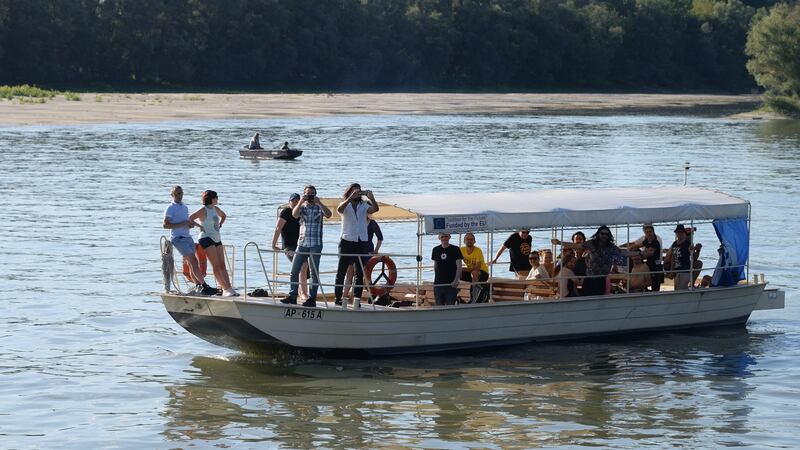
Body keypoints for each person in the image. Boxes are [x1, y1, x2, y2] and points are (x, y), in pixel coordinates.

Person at [281, 185, 332, 307]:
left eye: (312, 194)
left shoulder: (319, 206)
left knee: (314, 273)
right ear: (303, 194)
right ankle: (293, 296)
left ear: (315, 194)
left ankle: (312, 298)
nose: (310, 196)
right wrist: (300, 202)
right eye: (307, 194)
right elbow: (294, 215)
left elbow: (329, 214)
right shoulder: (302, 206)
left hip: (316, 244)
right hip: (302, 243)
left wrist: (319, 202)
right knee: (294, 271)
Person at [552, 225, 635, 296]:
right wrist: (560, 242)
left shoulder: (611, 247)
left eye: (606, 234)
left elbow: (622, 253)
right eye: (602, 233)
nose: (604, 236)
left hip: (602, 279)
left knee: (600, 304)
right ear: (598, 234)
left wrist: (639, 253)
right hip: (590, 279)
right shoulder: (591, 244)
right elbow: (577, 246)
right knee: (587, 301)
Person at [162, 186, 216, 295]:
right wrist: (182, 224)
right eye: (176, 194)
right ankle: (204, 286)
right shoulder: (170, 208)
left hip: (187, 237)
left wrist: (195, 225)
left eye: (180, 193)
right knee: (193, 261)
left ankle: (198, 285)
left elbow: (187, 221)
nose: (179, 196)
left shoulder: (184, 207)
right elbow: (165, 225)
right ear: (172, 195)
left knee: (192, 263)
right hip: (178, 239)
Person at [333, 183, 379, 306]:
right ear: (349, 192)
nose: (357, 194)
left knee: (359, 272)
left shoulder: (364, 205)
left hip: (360, 241)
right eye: (354, 192)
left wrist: (372, 198)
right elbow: (339, 210)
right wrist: (349, 198)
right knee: (341, 271)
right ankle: (338, 297)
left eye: (359, 192)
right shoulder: (345, 204)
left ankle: (357, 299)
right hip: (346, 240)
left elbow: (375, 209)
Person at [189, 190, 237, 297]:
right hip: (206, 237)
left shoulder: (216, 209)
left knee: (222, 264)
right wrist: (200, 226)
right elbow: (190, 218)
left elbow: (224, 216)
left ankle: (229, 288)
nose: (217, 199)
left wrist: (220, 224)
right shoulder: (203, 210)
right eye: (216, 197)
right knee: (216, 265)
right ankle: (225, 289)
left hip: (217, 238)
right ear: (211, 198)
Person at [270, 193, 308, 299]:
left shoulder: (301, 212)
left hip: (301, 244)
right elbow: (278, 228)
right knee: (302, 265)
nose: (295, 203)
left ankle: (302, 292)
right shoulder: (286, 212)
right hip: (289, 246)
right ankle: (302, 293)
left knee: (305, 267)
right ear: (289, 202)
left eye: (297, 201)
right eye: (293, 201)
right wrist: (273, 244)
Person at [343, 214, 384, 301]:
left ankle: (353, 297)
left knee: (359, 275)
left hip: (366, 251)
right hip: (354, 250)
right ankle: (343, 296)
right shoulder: (357, 221)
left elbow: (380, 237)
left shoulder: (372, 223)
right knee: (350, 273)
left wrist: (376, 250)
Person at [623, 224, 663, 291]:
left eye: (650, 232)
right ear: (645, 233)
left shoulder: (655, 242)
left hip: (655, 267)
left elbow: (648, 254)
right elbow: (638, 245)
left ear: (653, 232)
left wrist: (636, 255)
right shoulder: (647, 241)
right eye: (647, 232)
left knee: (655, 288)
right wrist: (630, 248)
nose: (649, 234)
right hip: (649, 264)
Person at [432, 232, 463, 305]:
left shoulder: (455, 249)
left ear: (449, 237)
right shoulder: (435, 249)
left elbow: (459, 266)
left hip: (451, 283)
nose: (444, 238)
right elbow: (435, 265)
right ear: (439, 238)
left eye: (446, 236)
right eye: (442, 237)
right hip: (438, 283)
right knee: (439, 306)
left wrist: (456, 280)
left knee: (450, 305)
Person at [460, 232, 490, 303]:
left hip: (483, 273)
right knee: (454, 272)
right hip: (470, 272)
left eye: (471, 239)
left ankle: (474, 297)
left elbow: (477, 267)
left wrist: (462, 269)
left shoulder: (478, 250)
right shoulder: (461, 250)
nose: (469, 240)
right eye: (467, 239)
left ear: (474, 241)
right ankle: (454, 295)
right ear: (464, 241)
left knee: (474, 272)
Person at [666, 224, 693, 291]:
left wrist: (696, 250)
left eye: (681, 232)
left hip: (684, 271)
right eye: (678, 232)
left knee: (681, 291)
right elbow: (673, 258)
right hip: (676, 271)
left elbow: (693, 257)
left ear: (684, 233)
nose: (679, 234)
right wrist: (672, 271)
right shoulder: (674, 244)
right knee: (677, 289)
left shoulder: (688, 243)